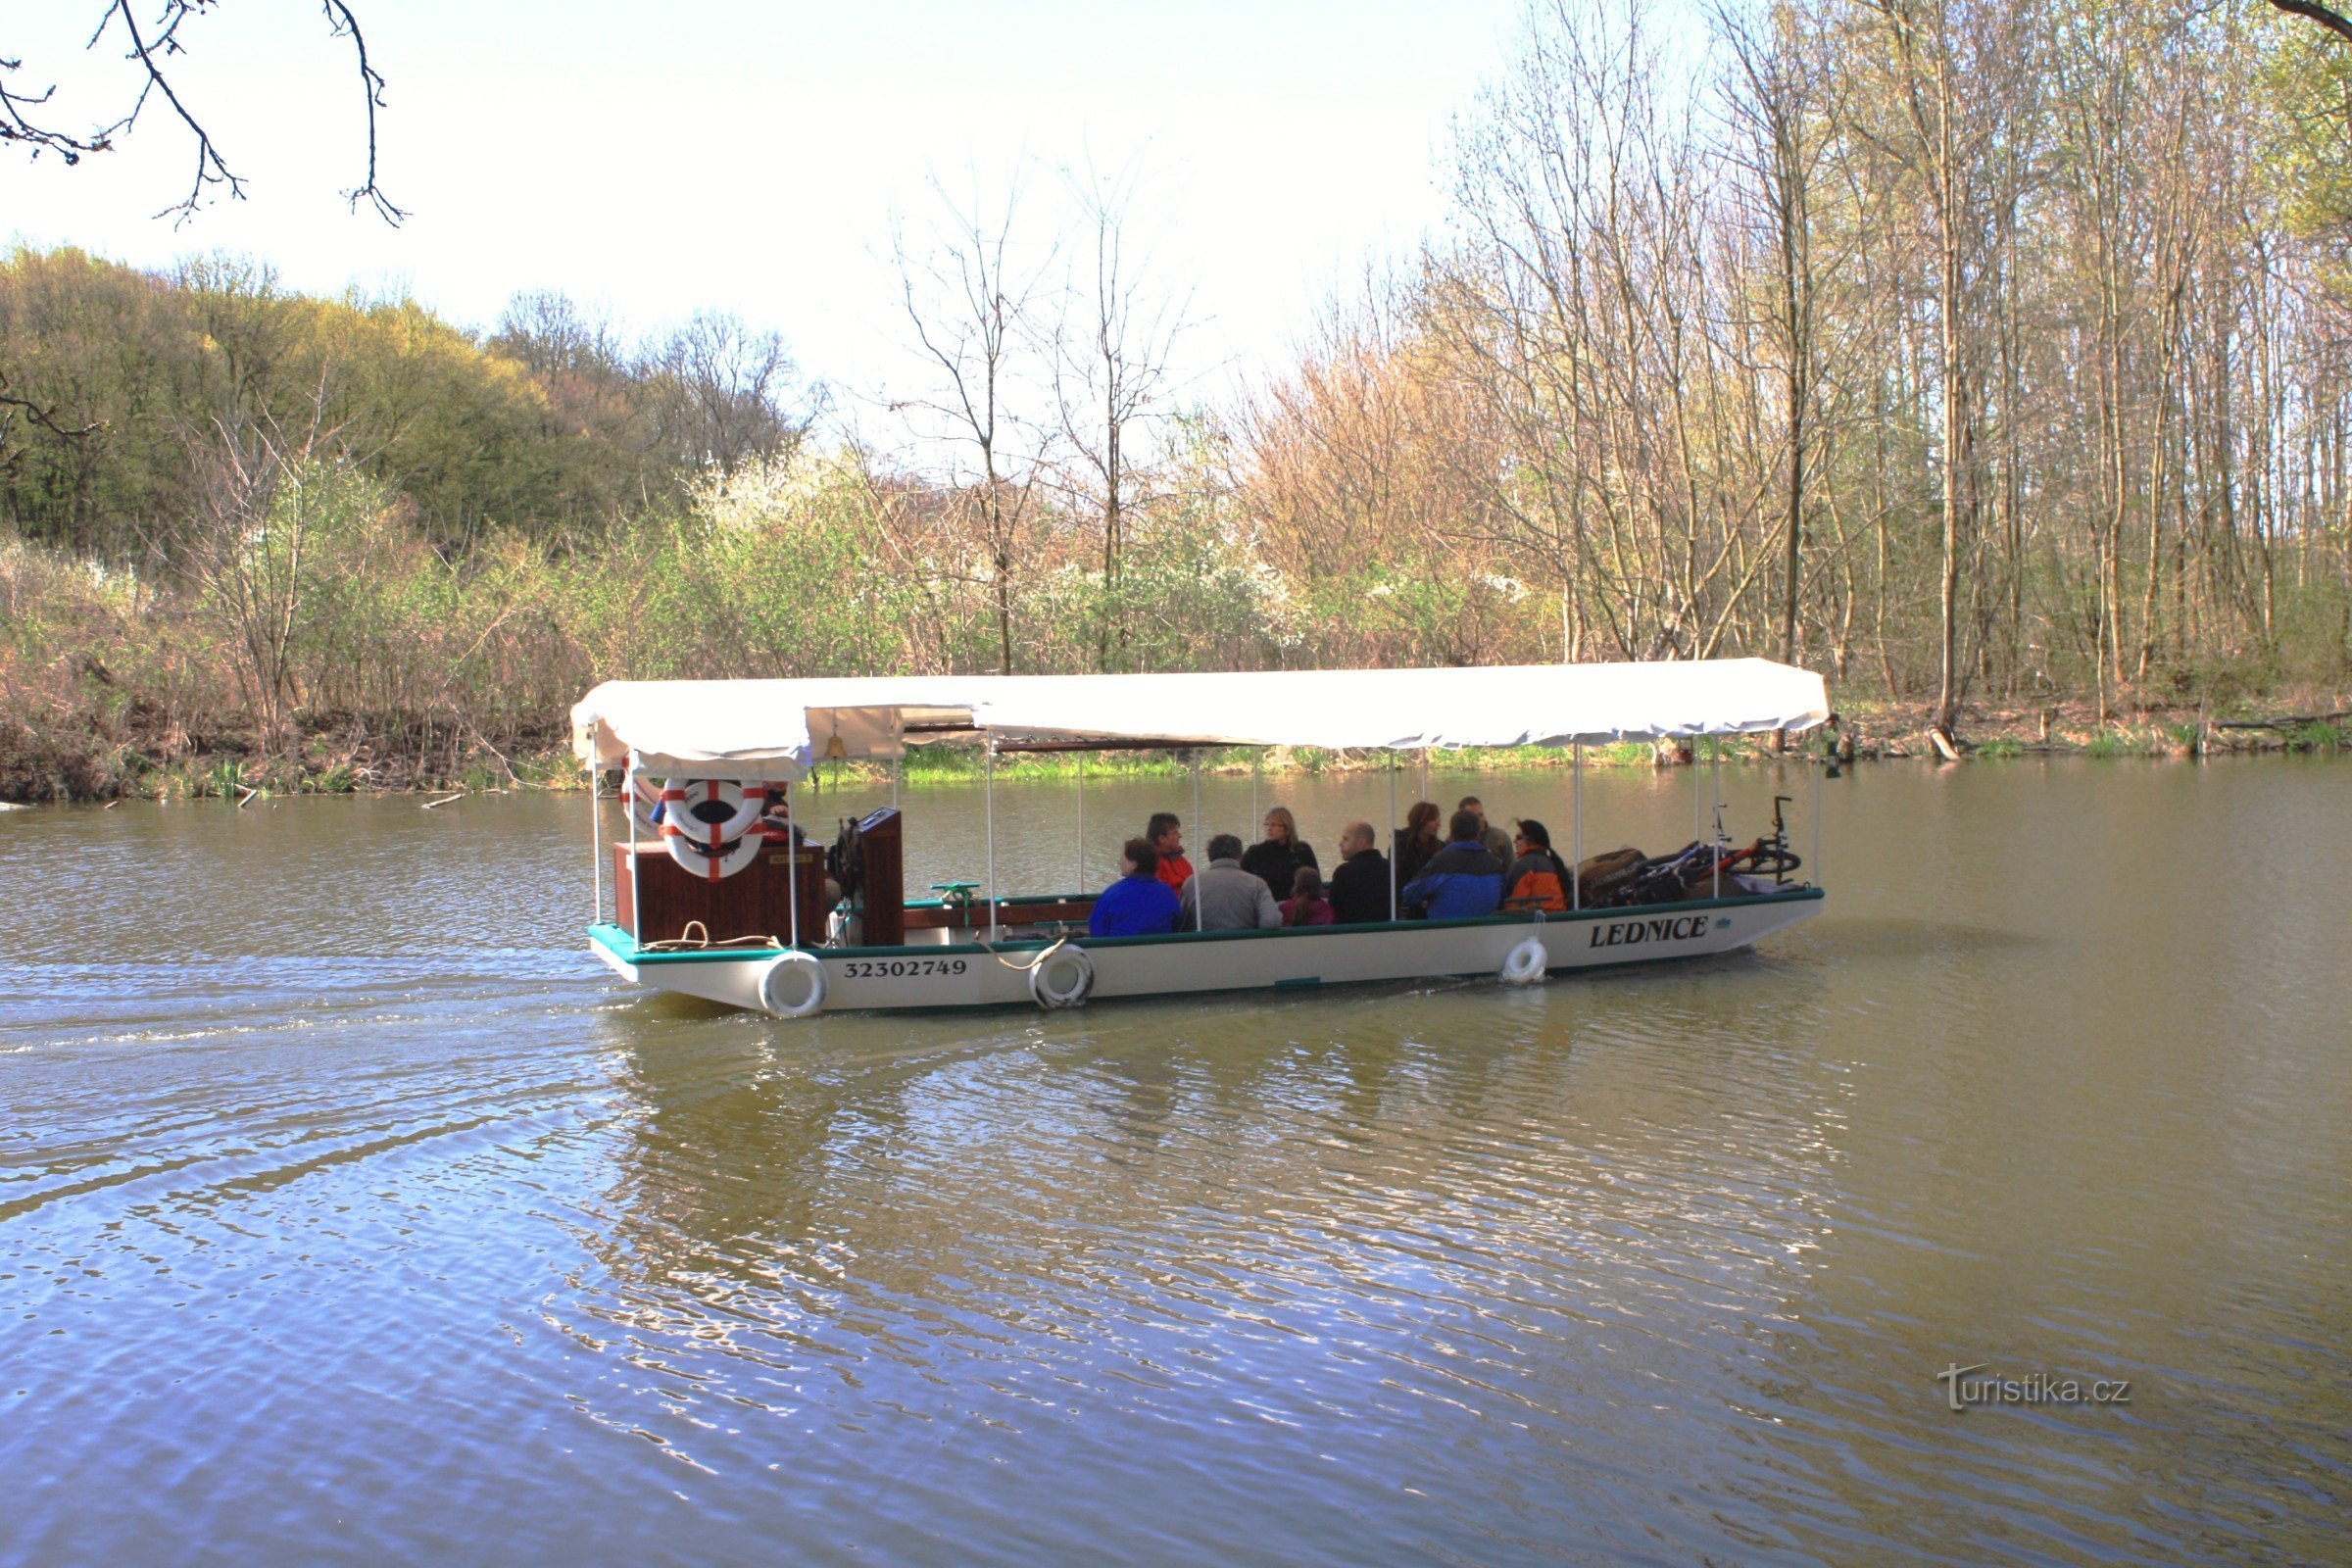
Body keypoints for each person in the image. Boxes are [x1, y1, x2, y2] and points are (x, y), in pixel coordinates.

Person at [1400, 809, 1505, 919]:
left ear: (1452, 833)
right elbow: (1503, 900)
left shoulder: (1441, 861)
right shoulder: (1495, 864)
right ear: (1478, 832)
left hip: (1445, 932)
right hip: (1487, 933)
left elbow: (1409, 893)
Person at [1179, 833, 1281, 931]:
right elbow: (1272, 921)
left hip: (1200, 946)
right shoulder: (1256, 883)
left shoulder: (1193, 882)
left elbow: (1180, 922)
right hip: (1245, 945)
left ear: (1210, 856)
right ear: (1239, 856)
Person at [1090, 837, 1182, 937]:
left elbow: (1097, 931)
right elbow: (1177, 926)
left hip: (1120, 951)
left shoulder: (1112, 894)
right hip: (1161, 951)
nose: (1119, 862)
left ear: (1133, 864)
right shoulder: (1167, 893)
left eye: (1122, 857)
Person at [1240, 805, 1318, 900]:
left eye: (1274, 824)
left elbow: (1315, 882)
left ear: (1287, 828)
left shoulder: (1302, 850)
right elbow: (1240, 880)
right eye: (1266, 824)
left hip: (1296, 906)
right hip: (1265, 906)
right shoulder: (1254, 853)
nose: (1269, 828)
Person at [1326, 820, 1392, 924]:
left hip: (1350, 933)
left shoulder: (1343, 872)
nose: (1340, 843)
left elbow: (1333, 908)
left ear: (1361, 843)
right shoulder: (1391, 869)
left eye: (1345, 839)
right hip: (1386, 932)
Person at [1503, 818, 1571, 913]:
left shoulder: (1524, 865)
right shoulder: (1554, 862)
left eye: (1518, 837)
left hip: (1535, 920)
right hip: (1557, 916)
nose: (1514, 841)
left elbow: (1514, 904)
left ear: (1530, 840)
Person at [1393, 801, 1443, 893]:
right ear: (1420, 821)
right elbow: (1400, 878)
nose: (1438, 824)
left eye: (1437, 819)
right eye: (1432, 819)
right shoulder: (1401, 846)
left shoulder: (1440, 847)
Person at [1457, 795, 1514, 864]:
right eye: (1473, 817)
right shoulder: (1452, 841)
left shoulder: (1501, 838)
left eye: (1481, 815)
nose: (1480, 820)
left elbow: (1511, 868)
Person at [1147, 811, 1193, 892]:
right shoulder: (1150, 864)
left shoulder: (1181, 861)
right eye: (1175, 833)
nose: (1180, 836)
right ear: (1162, 838)